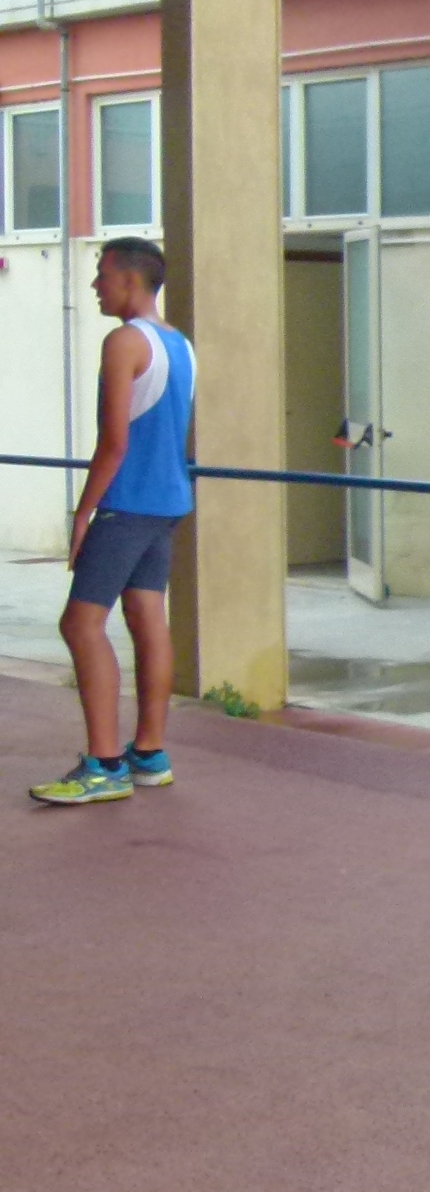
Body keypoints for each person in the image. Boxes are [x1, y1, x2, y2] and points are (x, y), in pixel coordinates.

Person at [31, 238, 195, 808]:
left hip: (127, 504)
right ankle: (149, 755)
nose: (95, 286)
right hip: (168, 502)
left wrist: (83, 513)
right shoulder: (180, 344)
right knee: (147, 616)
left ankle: (103, 766)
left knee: (80, 625)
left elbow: (114, 442)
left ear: (129, 280)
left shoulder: (124, 341)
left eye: (101, 274)